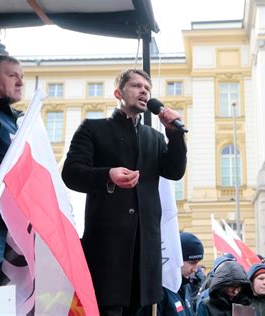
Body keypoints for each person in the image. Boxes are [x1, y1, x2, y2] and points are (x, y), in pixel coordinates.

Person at [62, 69, 187, 315]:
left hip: (146, 249)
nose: (144, 91)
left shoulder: (154, 137)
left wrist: (174, 135)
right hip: (107, 247)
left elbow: (174, 171)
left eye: (148, 89)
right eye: (136, 86)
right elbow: (71, 173)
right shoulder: (93, 128)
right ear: (118, 93)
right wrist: (108, 174)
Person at [0, 55, 24, 285]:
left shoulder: (16, 122)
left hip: (11, 226)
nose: (20, 82)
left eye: (21, 77)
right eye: (12, 75)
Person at [157, 232, 204, 316]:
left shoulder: (186, 286)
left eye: (198, 263)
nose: (195, 269)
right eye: (192, 262)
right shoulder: (160, 290)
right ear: (177, 259)